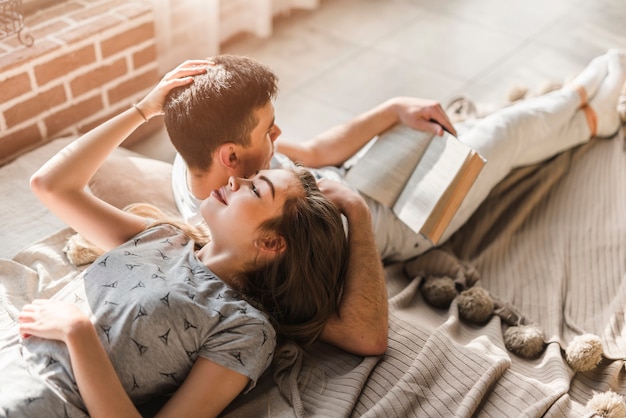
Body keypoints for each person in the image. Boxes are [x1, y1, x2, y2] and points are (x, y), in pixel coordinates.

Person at [165, 50, 626, 357]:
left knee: (439, 128)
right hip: (403, 222)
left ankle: (591, 114)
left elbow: (319, 152)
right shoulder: (232, 235)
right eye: (268, 130)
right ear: (230, 156)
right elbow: (360, 333)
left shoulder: (222, 175)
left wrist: (392, 110)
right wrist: (355, 213)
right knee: (497, 138)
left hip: (358, 176)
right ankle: (583, 101)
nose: (278, 137)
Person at [1, 61, 349, 417]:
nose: (234, 182)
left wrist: (78, 334)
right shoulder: (164, 237)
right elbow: (51, 185)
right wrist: (143, 110)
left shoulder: (246, 328)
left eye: (256, 188)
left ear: (272, 243)